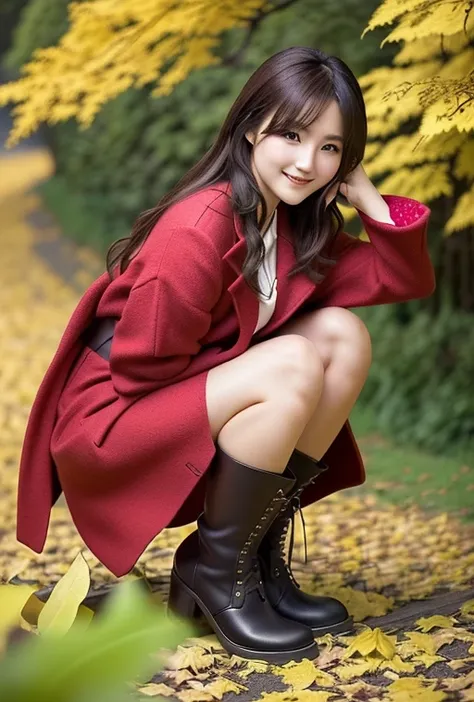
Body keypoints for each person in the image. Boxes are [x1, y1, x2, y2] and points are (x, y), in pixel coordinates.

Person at [17, 46, 435, 663]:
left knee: (343, 336)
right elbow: (140, 368)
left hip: (172, 398)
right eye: (291, 135)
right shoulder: (200, 225)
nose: (307, 162)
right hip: (112, 418)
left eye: (330, 147)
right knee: (292, 360)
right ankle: (216, 571)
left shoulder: (290, 225)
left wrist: (367, 196)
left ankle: (251, 554)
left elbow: (401, 278)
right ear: (249, 128)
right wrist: (259, 365)